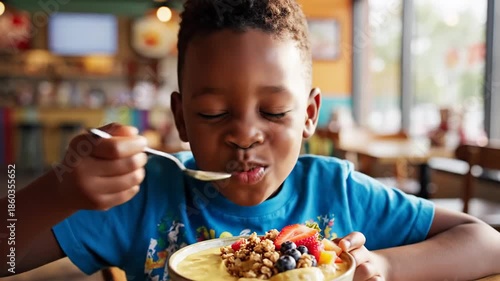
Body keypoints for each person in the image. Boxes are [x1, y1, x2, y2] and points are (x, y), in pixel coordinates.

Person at [2, 1, 500, 280]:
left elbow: (486, 241)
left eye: (274, 111)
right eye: (213, 113)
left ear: (308, 114)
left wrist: (385, 266)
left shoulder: (339, 193)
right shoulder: (144, 194)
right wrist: (59, 191)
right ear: (181, 118)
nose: (243, 134)